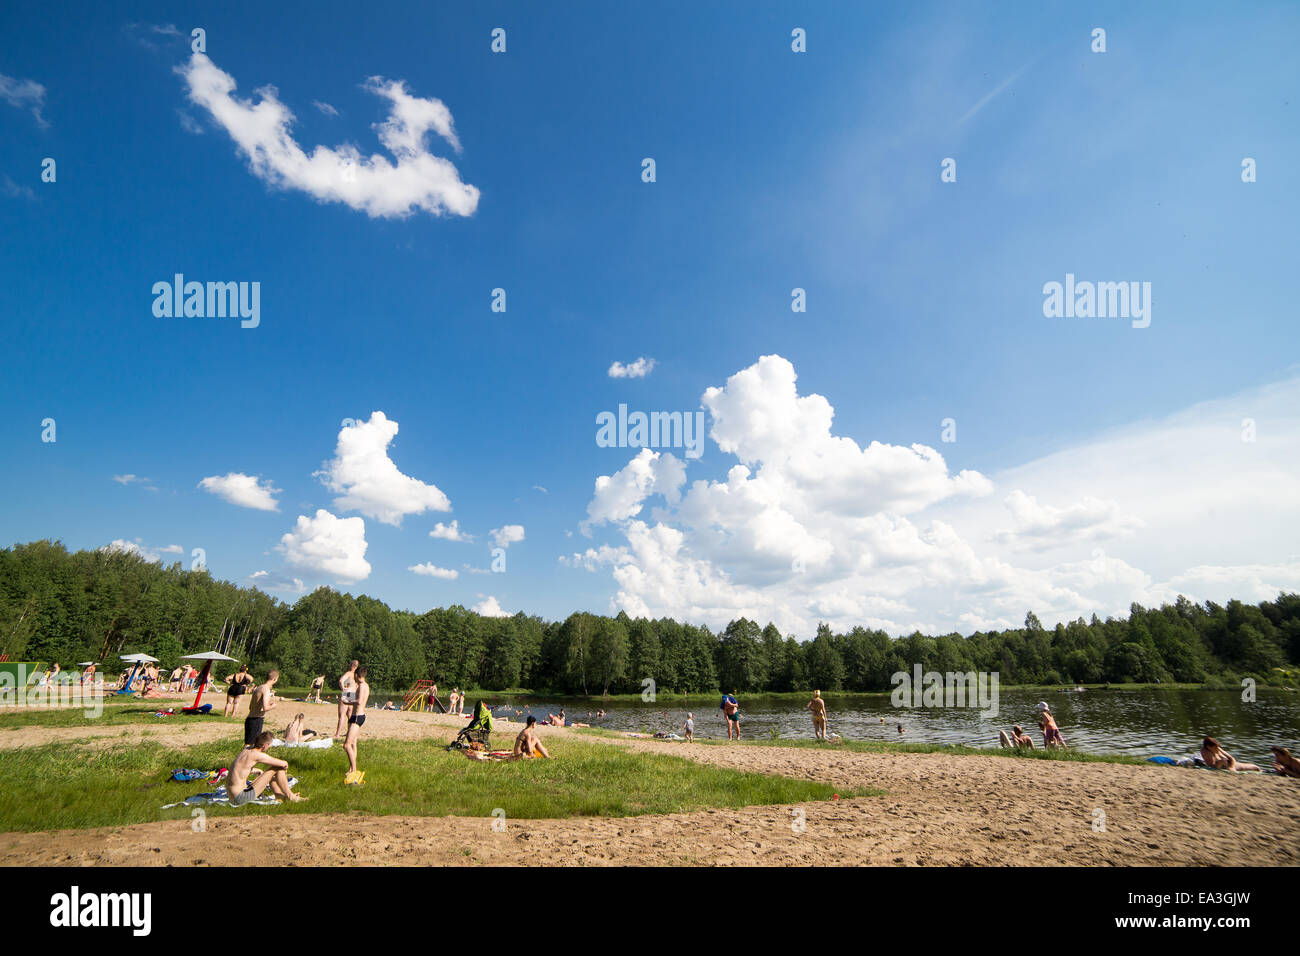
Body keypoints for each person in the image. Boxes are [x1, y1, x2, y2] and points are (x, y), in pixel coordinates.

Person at [226, 731, 306, 806]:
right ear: (265, 746)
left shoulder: (246, 751)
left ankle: (279, 795)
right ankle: (290, 796)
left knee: (270, 773)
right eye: (269, 745)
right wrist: (284, 769)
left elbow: (241, 769)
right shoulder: (257, 755)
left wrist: (257, 770)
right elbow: (284, 763)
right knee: (278, 767)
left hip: (233, 796)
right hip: (240, 798)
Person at [343, 666, 370, 785]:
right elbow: (358, 698)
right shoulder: (363, 685)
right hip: (356, 716)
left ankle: (354, 771)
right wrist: (347, 696)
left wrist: (347, 701)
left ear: (356, 675)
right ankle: (351, 769)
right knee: (353, 743)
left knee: (347, 745)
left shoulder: (362, 686)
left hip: (358, 717)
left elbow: (359, 701)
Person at [245, 670, 279, 746]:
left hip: (250, 718)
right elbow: (265, 708)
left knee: (248, 744)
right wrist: (273, 706)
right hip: (256, 719)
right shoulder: (266, 689)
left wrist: (267, 704)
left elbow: (251, 706)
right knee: (251, 745)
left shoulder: (259, 687)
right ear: (275, 679)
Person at [335, 660, 359, 738]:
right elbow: (357, 686)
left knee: (342, 715)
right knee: (350, 715)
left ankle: (337, 734)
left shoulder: (348, 673)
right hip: (353, 695)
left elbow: (341, 681)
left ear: (351, 665)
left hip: (347, 693)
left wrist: (343, 688)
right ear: (356, 667)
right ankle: (349, 732)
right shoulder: (356, 676)